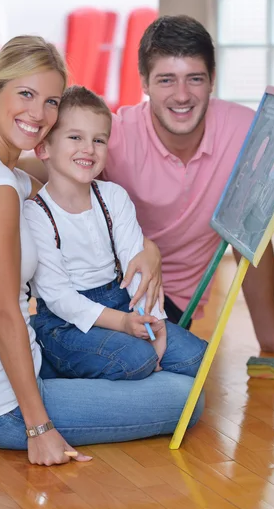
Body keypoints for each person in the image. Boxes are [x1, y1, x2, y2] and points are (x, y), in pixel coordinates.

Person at [0, 15, 274, 353]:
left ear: (212, 80)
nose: (181, 95)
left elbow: (251, 237)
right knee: (33, 341)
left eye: (195, 79)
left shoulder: (247, 132)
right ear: (143, 82)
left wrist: (270, 336)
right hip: (92, 287)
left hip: (164, 300)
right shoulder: (117, 134)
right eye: (165, 80)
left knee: (163, 367)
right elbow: (43, 165)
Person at [0, 34, 205, 466]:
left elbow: (70, 189)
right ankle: (15, 411)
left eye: (51, 101)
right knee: (187, 399)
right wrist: (40, 428)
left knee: (178, 363)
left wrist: (148, 248)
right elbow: (2, 313)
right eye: (26, 94)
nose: (39, 113)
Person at [24, 84, 207, 380]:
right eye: (75, 137)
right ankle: (49, 361)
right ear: (44, 148)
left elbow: (137, 268)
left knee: (196, 357)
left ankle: (139, 382)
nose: (88, 149)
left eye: (99, 140)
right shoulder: (36, 214)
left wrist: (154, 323)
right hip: (65, 323)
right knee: (135, 360)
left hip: (121, 302)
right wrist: (123, 324)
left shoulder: (114, 197)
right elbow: (58, 297)